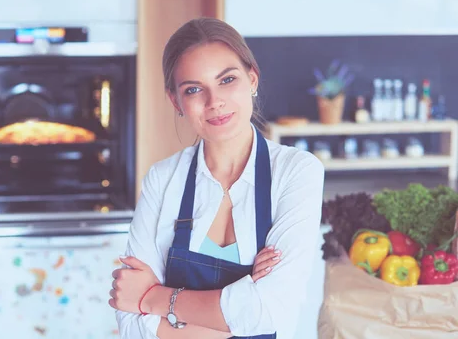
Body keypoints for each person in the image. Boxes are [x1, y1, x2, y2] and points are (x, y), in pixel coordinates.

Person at [109, 17, 324, 339]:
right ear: (176, 101)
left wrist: (155, 298)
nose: (215, 102)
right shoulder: (162, 180)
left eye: (227, 80)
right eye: (194, 89)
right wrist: (237, 307)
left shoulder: (296, 172)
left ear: (252, 79)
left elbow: (269, 312)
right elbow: (132, 324)